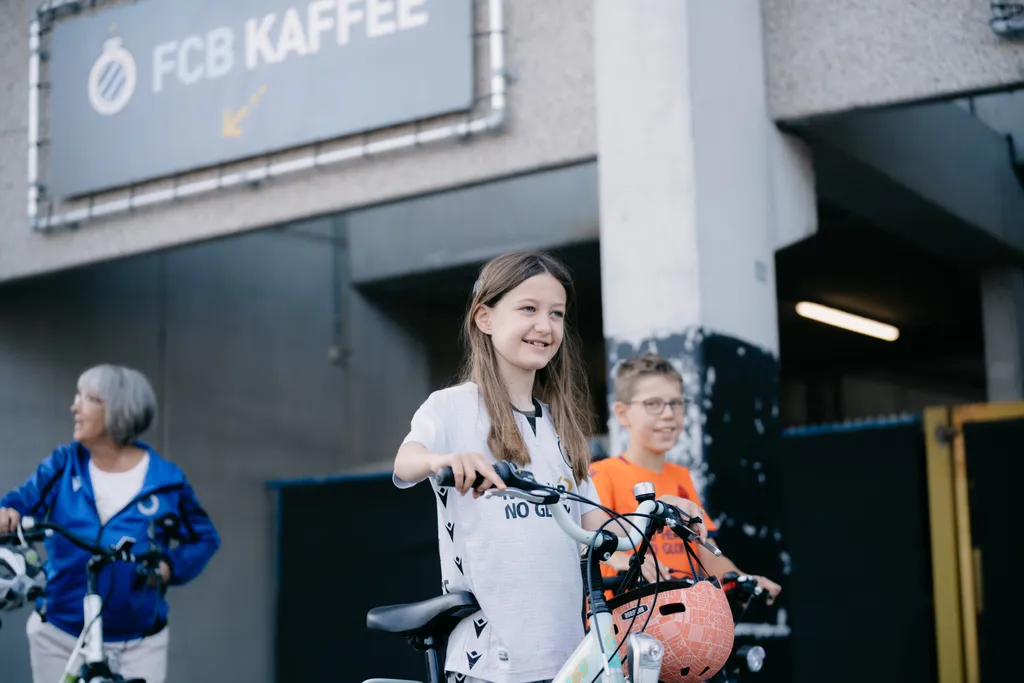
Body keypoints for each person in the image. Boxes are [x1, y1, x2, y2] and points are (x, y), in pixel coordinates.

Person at [392, 251, 706, 683]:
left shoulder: (560, 427)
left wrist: (658, 511)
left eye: (556, 313)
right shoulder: (453, 407)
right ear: (485, 318)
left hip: (567, 653)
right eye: (528, 309)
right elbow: (407, 461)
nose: (545, 325)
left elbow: (598, 530)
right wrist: (443, 460)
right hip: (490, 660)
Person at [0, 364, 220, 683]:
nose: (74, 406)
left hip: (139, 644)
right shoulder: (63, 465)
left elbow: (204, 538)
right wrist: (5, 512)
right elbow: (19, 501)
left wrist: (169, 567)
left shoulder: (167, 481)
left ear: (120, 410)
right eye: (78, 396)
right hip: (59, 636)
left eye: (89, 398)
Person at [591, 352, 782, 601]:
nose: (668, 413)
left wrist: (742, 578)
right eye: (653, 403)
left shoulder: (680, 476)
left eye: (676, 403)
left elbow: (706, 553)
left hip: (682, 615)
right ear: (622, 413)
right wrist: (626, 560)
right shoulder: (602, 474)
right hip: (624, 616)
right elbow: (588, 541)